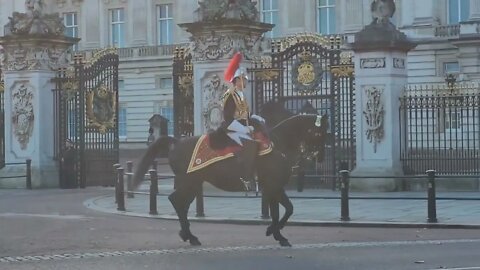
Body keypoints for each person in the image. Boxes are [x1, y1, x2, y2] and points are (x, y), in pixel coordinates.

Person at [220, 52, 264, 189]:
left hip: (242, 127)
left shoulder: (241, 94)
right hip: (230, 128)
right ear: (237, 80)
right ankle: (243, 176)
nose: (245, 82)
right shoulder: (230, 95)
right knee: (248, 146)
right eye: (244, 79)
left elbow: (245, 114)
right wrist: (244, 129)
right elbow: (228, 117)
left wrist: (255, 117)